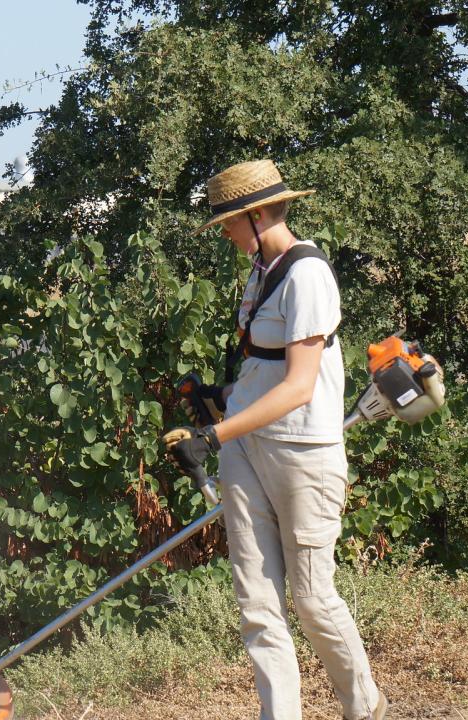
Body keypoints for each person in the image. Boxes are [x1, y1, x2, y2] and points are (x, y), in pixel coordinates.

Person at [161, 159, 386, 720]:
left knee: (311, 599)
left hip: (302, 454)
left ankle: (365, 708)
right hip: (247, 446)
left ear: (257, 215)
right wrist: (220, 398)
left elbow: (299, 387)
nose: (228, 236)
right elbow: (265, 369)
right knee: (258, 604)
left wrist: (211, 436)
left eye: (231, 224)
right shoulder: (261, 270)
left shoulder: (308, 274)